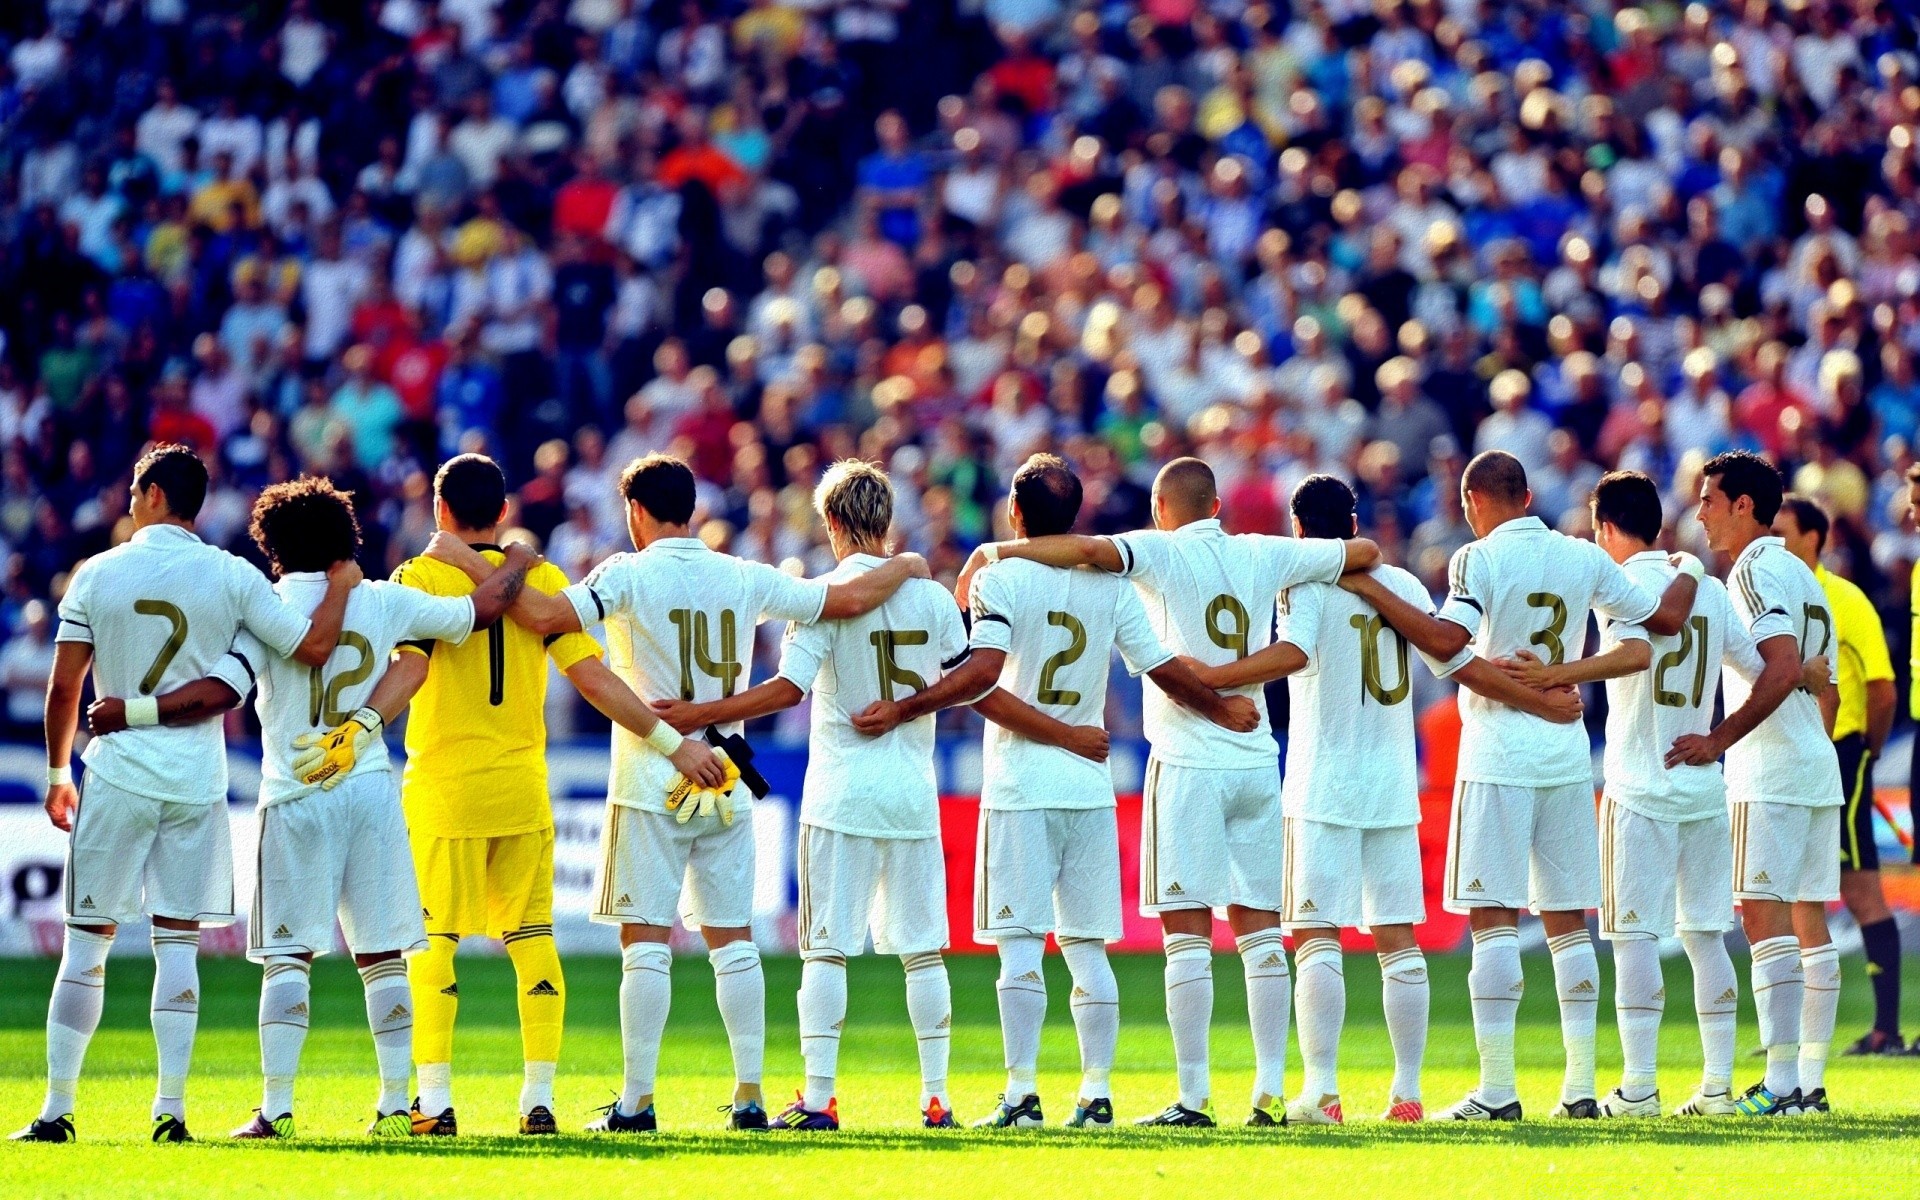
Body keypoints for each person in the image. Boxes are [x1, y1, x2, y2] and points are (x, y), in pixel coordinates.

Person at [428, 452, 928, 1132]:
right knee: (735, 943)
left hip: (650, 778)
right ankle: (750, 1094)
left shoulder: (626, 574)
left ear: (636, 512)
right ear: (690, 508)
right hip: (726, 773)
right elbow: (844, 599)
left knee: (646, 944)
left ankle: (637, 1101)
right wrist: (904, 564)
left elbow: (544, 614)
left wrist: (478, 558)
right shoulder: (745, 574)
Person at [91, 477, 531, 1138]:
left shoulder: (260, 609)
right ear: (347, 539)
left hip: (295, 794)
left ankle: (276, 1107)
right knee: (382, 955)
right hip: (370, 790)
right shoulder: (382, 599)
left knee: (287, 958)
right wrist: (521, 559)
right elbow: (481, 610)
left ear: (270, 545)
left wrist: (137, 712)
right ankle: (392, 1104)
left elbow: (222, 691)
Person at [303, 453, 723, 1136]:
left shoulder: (422, 575)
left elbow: (411, 669)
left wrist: (363, 726)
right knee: (532, 941)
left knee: (433, 944)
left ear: (440, 511)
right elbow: (592, 678)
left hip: (445, 789)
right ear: (502, 512)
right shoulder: (546, 580)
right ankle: (539, 1100)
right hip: (523, 787)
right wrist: (672, 739)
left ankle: (434, 1103)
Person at [956, 456, 1381, 1128]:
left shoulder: (1150, 554)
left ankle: (1192, 1095)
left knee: (1187, 935)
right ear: (1216, 504)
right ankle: (1269, 1092)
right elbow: (1364, 551)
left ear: (1161, 508)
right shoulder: (1264, 552)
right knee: (1261, 934)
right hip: (1255, 759)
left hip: (1186, 762)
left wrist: (995, 550)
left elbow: (1090, 550)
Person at [1180, 474, 1588, 1125]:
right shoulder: (1400, 585)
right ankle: (1407, 1092)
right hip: (1395, 784)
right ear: (1353, 521)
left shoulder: (1306, 583)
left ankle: (1323, 1090)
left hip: (1324, 783)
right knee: (1399, 942)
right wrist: (1544, 698)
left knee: (1317, 935)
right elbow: (1452, 660)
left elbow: (1294, 650)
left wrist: (1211, 676)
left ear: (1298, 529)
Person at [1337, 449, 1696, 1121]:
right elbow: (1655, 633)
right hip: (1564, 757)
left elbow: (1450, 641)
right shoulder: (1584, 557)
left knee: (1494, 920)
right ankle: (1581, 1089)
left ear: (1473, 503)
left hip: (1498, 754)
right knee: (1568, 925)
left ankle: (1497, 1091)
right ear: (1527, 495)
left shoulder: (1477, 560)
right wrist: (1568, 672)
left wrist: (1374, 591)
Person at [901, 454, 1256, 1129]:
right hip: (1089, 787)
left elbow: (981, 680)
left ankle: (1022, 1093)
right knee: (1088, 949)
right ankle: (1095, 1093)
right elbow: (1161, 668)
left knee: (1019, 948)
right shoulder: (1109, 587)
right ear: (1076, 517)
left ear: (1015, 512)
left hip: (1022, 785)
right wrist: (1221, 708)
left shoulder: (999, 580)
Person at [14, 445, 356, 1144]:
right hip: (195, 779)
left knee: (87, 945)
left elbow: (63, 688)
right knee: (177, 947)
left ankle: (56, 1111)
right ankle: (170, 1111)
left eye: (136, 489)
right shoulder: (231, 575)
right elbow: (309, 649)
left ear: (155, 494)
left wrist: (57, 777)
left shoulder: (96, 573)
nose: (129, 500)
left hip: (115, 775)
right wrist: (345, 585)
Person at [650, 460, 966, 1131]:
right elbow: (967, 678)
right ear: (886, 520)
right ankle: (936, 1099)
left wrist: (701, 710)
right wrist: (912, 707)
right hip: (912, 792)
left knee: (825, 948)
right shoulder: (933, 596)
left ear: (830, 522)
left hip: (840, 796)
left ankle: (820, 1099)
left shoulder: (821, 597)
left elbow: (787, 691)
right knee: (922, 950)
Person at [1496, 472, 1822, 1116]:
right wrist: (1801, 673)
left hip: (1639, 784)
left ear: (1608, 529)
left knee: (1634, 936)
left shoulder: (1618, 584)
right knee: (1706, 937)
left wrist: (1558, 676)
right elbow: (1759, 670)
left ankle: (1640, 1084)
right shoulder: (1702, 586)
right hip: (1702, 787)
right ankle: (1718, 1088)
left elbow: (1635, 650)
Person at [1668, 451, 1843, 1116]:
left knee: (1764, 920)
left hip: (1770, 771)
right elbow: (1818, 679)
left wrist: (1718, 738)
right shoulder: (1804, 575)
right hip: (1812, 763)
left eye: (1710, 499)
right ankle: (1806, 1084)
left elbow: (1782, 665)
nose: (1702, 513)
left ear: (1745, 506)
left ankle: (1778, 1084)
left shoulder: (1749, 572)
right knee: (1808, 921)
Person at [1773, 495, 1902, 1056]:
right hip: (1792, 759)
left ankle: (1886, 1028)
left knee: (1858, 887)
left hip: (1840, 754)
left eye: (1784, 531)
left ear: (1813, 539)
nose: (1774, 540)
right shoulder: (1775, 594)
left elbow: (1881, 686)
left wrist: (1866, 752)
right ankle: (1806, 1031)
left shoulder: (1845, 599)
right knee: (1799, 890)